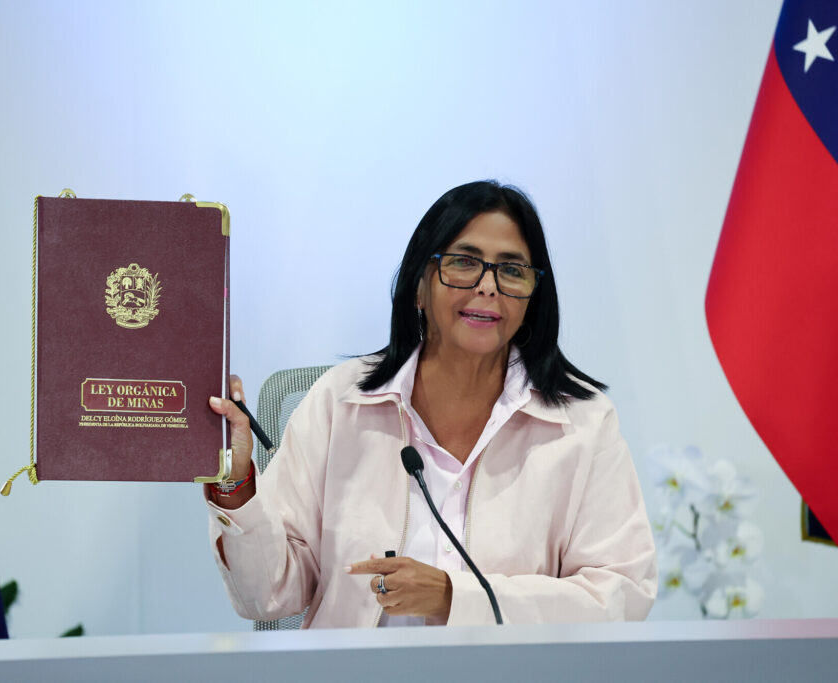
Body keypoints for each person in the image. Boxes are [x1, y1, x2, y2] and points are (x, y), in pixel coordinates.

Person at [205, 180, 656, 627]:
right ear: (419, 287)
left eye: (512, 270)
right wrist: (236, 482)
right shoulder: (340, 402)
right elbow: (267, 594)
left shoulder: (582, 423)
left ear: (532, 299)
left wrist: (453, 598)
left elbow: (620, 595)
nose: (488, 286)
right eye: (464, 262)